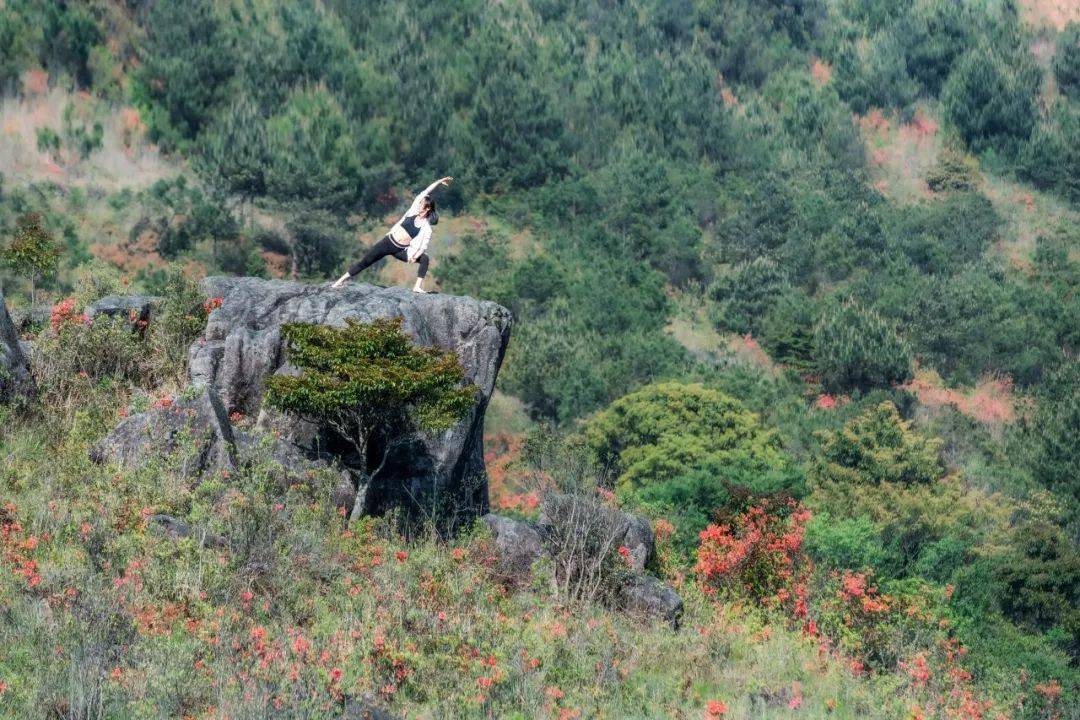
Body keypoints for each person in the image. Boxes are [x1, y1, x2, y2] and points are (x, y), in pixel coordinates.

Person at [331, 176, 453, 293]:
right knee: (365, 262)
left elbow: (423, 246)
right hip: (388, 242)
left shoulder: (426, 228)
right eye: (420, 203)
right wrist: (439, 181)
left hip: (401, 250)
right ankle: (339, 281)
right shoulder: (413, 211)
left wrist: (415, 256)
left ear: (427, 209)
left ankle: (417, 287)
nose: (420, 204)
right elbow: (426, 191)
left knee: (425, 258)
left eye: (422, 204)